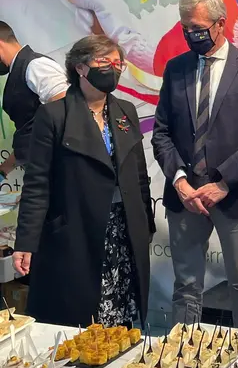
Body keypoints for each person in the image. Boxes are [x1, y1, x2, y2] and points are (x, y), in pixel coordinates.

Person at [152, 0, 238, 335]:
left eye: (198, 28)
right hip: (186, 198)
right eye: (185, 28)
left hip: (236, 195)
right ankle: (182, 354)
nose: (191, 34)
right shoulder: (176, 69)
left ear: (221, 24)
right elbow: (161, 133)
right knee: (186, 285)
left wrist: (223, 183)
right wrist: (180, 181)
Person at [11, 35, 155, 327]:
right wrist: (25, 241)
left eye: (117, 63)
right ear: (80, 67)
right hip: (76, 229)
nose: (112, 68)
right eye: (103, 61)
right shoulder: (54, 115)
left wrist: (146, 223)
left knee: (122, 313)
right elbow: (37, 184)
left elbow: (139, 175)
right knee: (83, 316)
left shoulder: (125, 110)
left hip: (123, 227)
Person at [0, 21, 68, 178]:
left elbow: (67, 110)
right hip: (43, 170)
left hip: (59, 169)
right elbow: (29, 133)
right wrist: (3, 170)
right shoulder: (20, 70)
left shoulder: (35, 65)